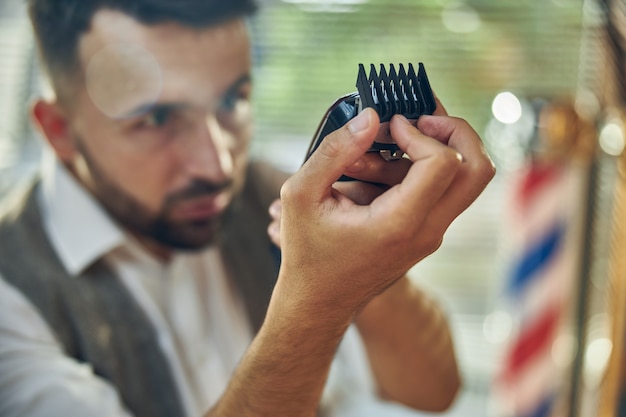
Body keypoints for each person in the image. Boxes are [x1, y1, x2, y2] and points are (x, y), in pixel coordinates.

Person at [0, 0, 496, 416]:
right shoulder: (11, 295)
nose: (217, 164)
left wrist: (378, 272)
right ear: (60, 131)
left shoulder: (276, 195)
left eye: (232, 99)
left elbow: (431, 393)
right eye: (155, 118)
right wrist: (319, 301)